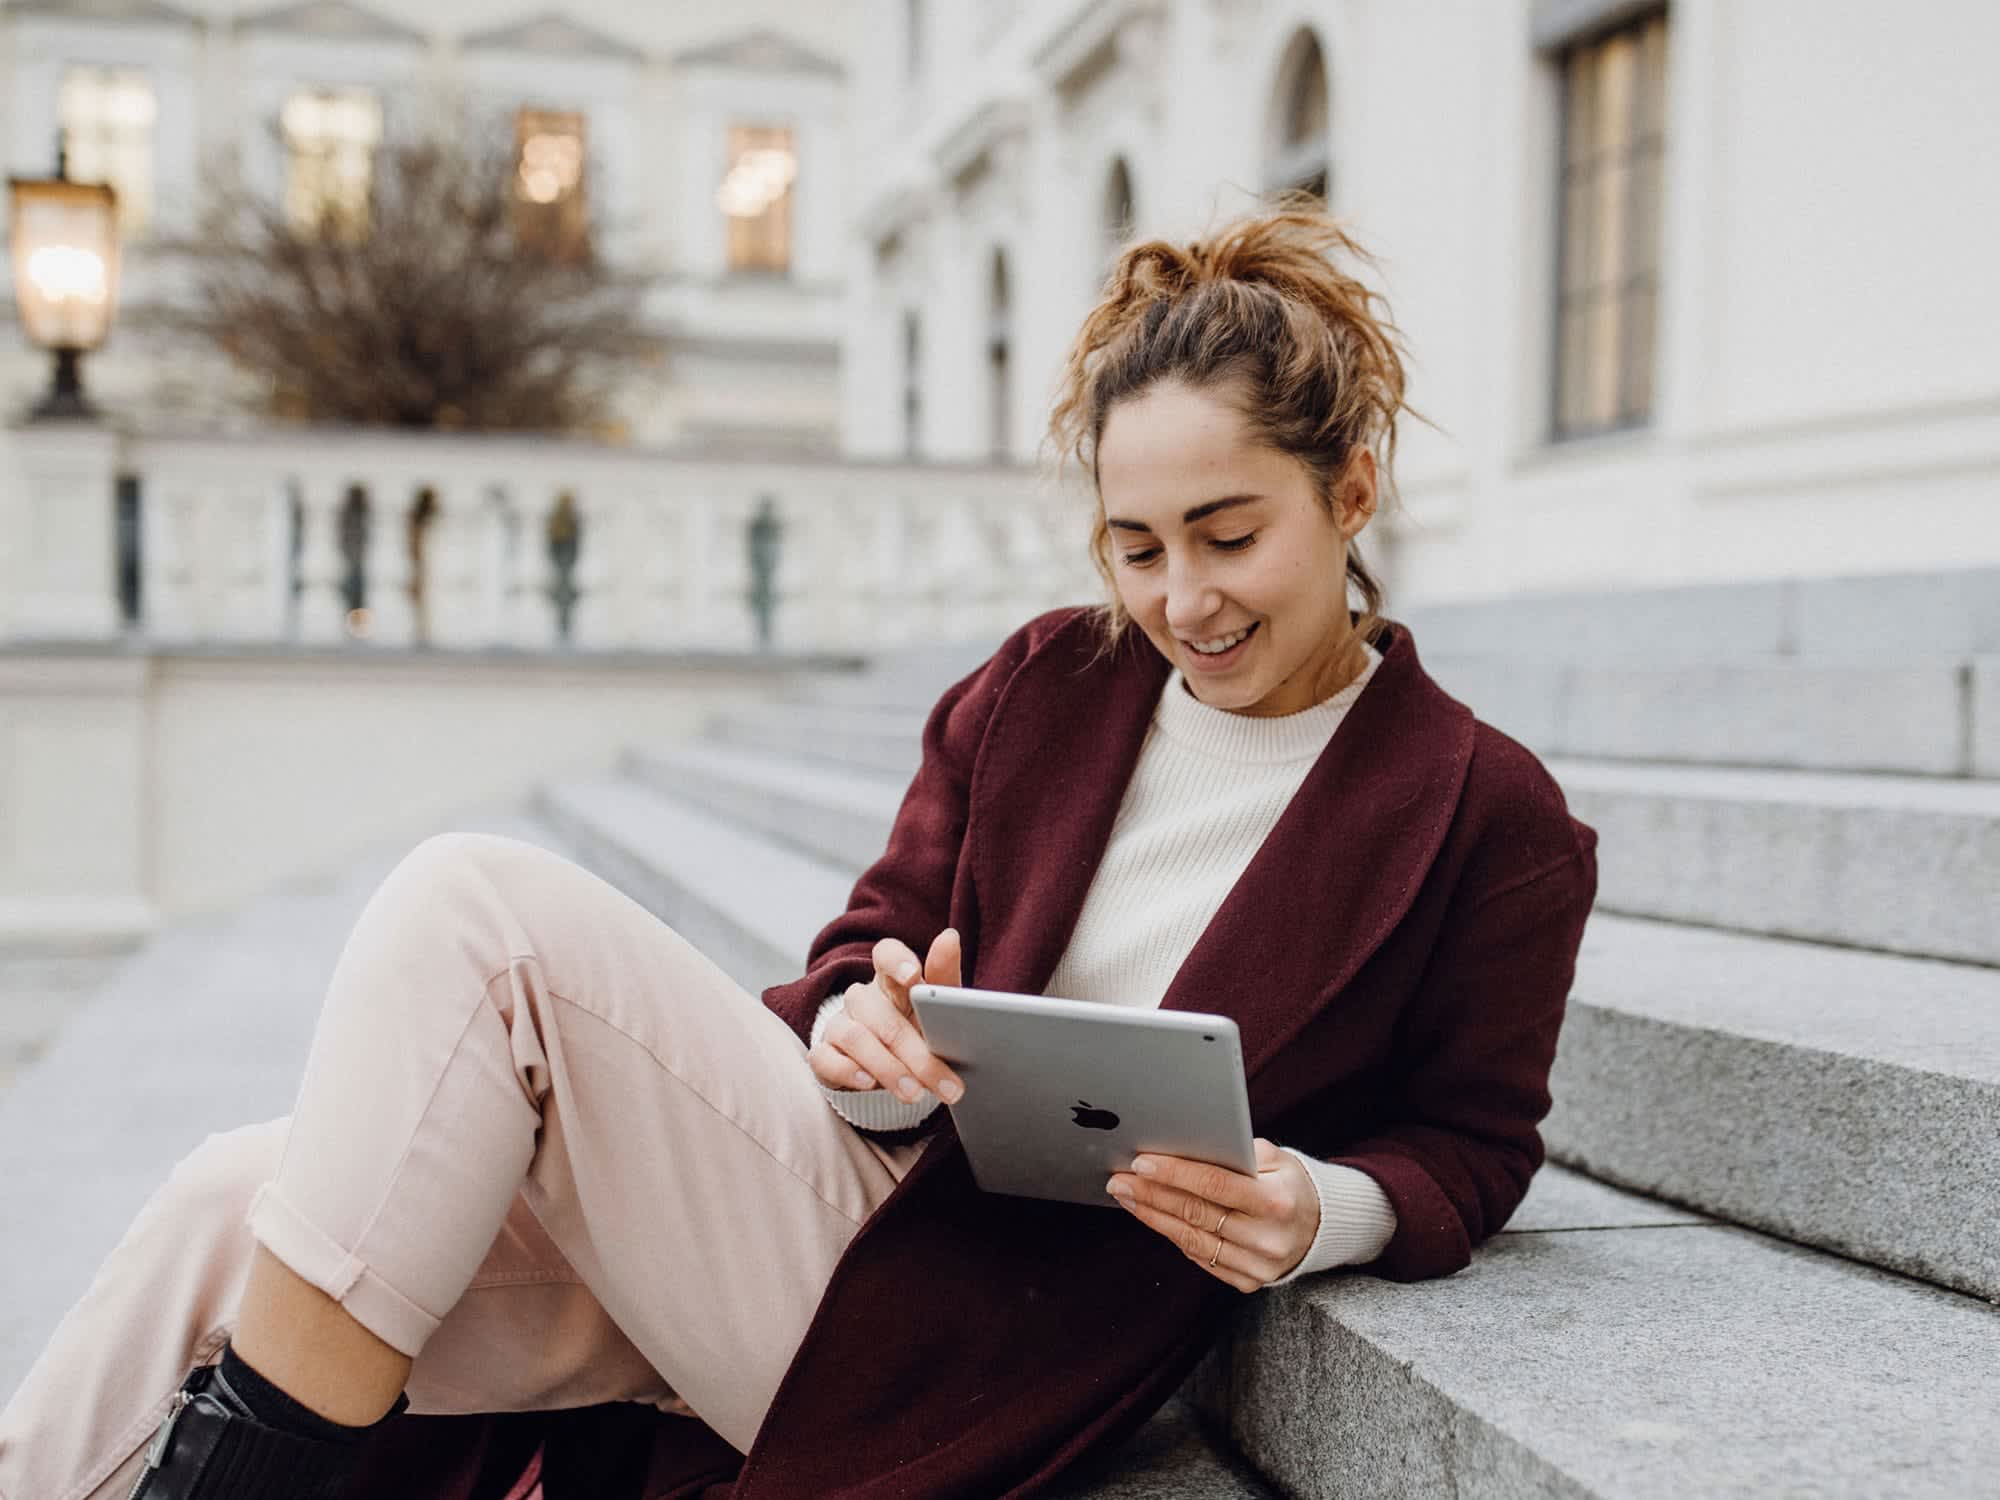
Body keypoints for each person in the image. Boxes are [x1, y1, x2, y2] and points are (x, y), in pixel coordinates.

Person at [0, 205, 1598, 1500]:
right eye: (1137, 546)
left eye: (1231, 534)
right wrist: (865, 1021)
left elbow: (1475, 1140)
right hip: (859, 1193)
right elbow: (869, 945)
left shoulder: (1490, 817)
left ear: (1354, 487)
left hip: (999, 1331)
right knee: (237, 1192)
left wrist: (1322, 1208)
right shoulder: (1049, 684)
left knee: (476, 912)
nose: (1184, 599)